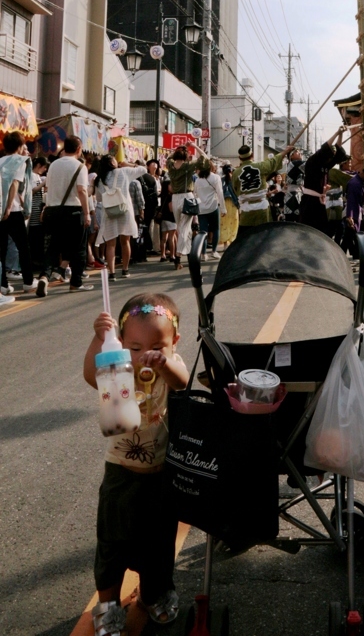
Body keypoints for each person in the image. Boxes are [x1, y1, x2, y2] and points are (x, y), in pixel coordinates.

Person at [83, 293, 189, 634]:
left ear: (174, 342)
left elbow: (182, 381)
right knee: (112, 543)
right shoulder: (117, 369)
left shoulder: (171, 366)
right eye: (135, 346)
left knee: (159, 543)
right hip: (120, 472)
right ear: (122, 344)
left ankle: (154, 593)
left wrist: (165, 363)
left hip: (161, 474)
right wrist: (99, 340)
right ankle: (109, 605)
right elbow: (90, 375)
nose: (146, 354)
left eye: (158, 345)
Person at [40, 135, 92, 297]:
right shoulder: (80, 166)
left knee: (53, 248)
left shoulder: (54, 165)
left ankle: (44, 276)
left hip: (53, 210)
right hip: (73, 211)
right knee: (78, 248)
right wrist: (87, 212)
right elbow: (82, 190)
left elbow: (48, 188)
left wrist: (46, 207)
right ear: (78, 149)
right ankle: (76, 283)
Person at [96, 157, 147, 282]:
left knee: (110, 244)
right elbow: (143, 170)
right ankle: (125, 270)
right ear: (112, 163)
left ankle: (112, 273)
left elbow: (98, 199)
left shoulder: (99, 179)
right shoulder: (123, 172)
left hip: (108, 212)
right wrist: (128, 164)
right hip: (125, 210)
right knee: (125, 241)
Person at [0, 132, 37, 298]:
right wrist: (9, 207)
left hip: (0, 210)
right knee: (23, 247)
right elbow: (14, 183)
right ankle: (28, 282)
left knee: (1, 249)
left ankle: (3, 285)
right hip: (12, 211)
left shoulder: (0, 161)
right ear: (20, 146)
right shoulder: (20, 161)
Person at [166, 145, 210, 268]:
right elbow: (205, 158)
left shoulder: (170, 165)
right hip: (187, 197)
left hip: (175, 198)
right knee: (185, 228)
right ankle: (178, 256)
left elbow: (168, 157)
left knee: (181, 228)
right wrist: (194, 146)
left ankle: (189, 253)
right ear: (186, 156)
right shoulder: (188, 166)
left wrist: (175, 150)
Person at [232, 143, 294, 227]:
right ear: (252, 155)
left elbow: (235, 190)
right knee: (264, 234)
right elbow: (274, 161)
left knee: (246, 236)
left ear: (240, 158)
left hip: (245, 208)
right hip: (262, 207)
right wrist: (286, 151)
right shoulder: (260, 166)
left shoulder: (236, 173)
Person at [299, 128, 348, 232]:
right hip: (309, 201)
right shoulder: (312, 162)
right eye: (331, 154)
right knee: (308, 229)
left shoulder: (326, 165)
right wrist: (336, 132)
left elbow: (338, 151)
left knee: (321, 230)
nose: (332, 157)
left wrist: (341, 134)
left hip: (320, 202)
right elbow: (325, 148)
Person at [195, 162, 226, 257]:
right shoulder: (216, 177)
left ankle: (203, 253)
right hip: (213, 207)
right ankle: (214, 251)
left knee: (203, 231)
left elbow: (195, 194)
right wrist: (223, 208)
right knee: (215, 229)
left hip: (201, 209)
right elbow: (220, 193)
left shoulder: (198, 180)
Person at [28, 156, 49, 292]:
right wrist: (42, 183)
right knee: (33, 239)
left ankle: (37, 263)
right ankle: (34, 264)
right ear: (40, 165)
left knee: (38, 240)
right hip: (32, 213)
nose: (45, 170)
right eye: (44, 167)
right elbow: (31, 191)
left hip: (38, 213)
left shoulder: (37, 176)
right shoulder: (31, 175)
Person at [139, 160, 161, 253]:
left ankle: (150, 247)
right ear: (147, 166)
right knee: (149, 227)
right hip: (151, 206)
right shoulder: (150, 178)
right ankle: (149, 246)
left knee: (150, 228)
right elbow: (156, 194)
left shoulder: (157, 178)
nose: (155, 165)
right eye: (152, 163)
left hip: (147, 206)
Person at [219, 164, 239, 248]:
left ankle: (225, 244)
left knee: (224, 223)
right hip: (233, 204)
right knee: (234, 223)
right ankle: (232, 242)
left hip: (224, 203)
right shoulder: (235, 180)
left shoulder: (221, 180)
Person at [157, 178, 177, 263]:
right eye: (171, 185)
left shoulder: (162, 195)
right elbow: (171, 209)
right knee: (171, 238)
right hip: (171, 218)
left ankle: (163, 255)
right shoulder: (171, 196)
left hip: (163, 218)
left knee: (163, 238)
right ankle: (172, 255)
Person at [283, 149, 305, 223]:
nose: (300, 153)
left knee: (293, 218)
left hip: (295, 193)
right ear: (291, 156)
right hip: (293, 195)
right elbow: (310, 164)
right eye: (297, 152)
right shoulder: (294, 163)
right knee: (294, 218)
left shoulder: (292, 164)